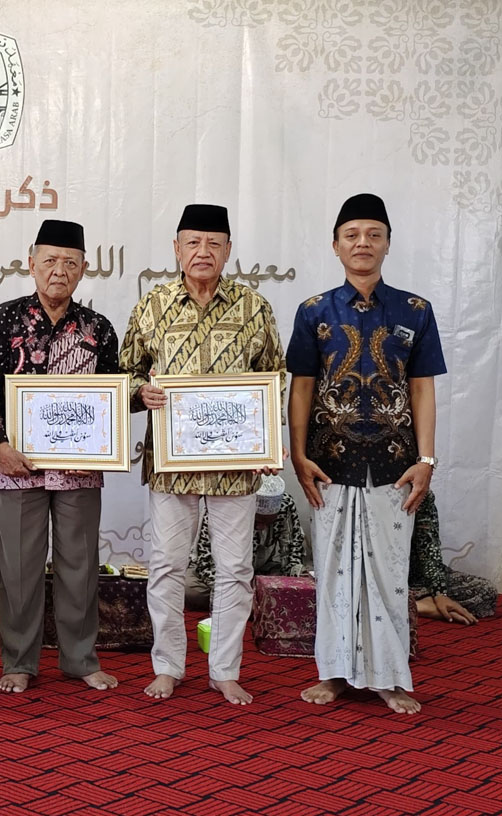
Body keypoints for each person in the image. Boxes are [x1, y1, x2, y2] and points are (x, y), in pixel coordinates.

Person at [120, 204, 286, 705]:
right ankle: (168, 666)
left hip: (235, 468)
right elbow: (125, 373)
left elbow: (275, 376)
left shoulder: (254, 307)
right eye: (192, 242)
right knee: (167, 566)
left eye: (214, 243)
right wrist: (140, 393)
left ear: (228, 250)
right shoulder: (152, 306)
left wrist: (265, 439)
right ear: (176, 249)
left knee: (235, 570)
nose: (203, 252)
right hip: (172, 467)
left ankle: (225, 670)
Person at [287, 193, 446, 715]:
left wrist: (426, 460)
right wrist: (297, 454)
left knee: (389, 574)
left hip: (395, 464)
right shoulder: (314, 311)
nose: (363, 243)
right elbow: (301, 388)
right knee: (333, 572)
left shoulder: (414, 311)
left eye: (373, 234)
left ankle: (389, 677)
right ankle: (334, 674)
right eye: (351, 235)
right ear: (335, 246)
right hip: (328, 463)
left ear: (388, 244)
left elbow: (422, 388)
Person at [0, 219, 122, 694]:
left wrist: (100, 445)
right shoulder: (4, 319)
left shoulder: (99, 328)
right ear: (31, 263)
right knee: (19, 569)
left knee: (80, 567)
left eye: (70, 263)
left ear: (84, 269)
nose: (60, 271)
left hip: (79, 471)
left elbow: (112, 398)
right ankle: (19, 661)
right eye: (50, 261)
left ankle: (80, 659)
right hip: (16, 467)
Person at [185, 477, 308, 611]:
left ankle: (258, 598)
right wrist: (235, 591)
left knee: (297, 582)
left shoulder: (285, 505)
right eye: (258, 521)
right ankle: (255, 601)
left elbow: (292, 552)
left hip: (261, 569)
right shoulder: (225, 508)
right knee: (190, 591)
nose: (261, 527)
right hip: (222, 572)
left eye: (267, 522)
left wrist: (292, 581)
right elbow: (206, 563)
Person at [410, 490, 496, 623]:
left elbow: (429, 548)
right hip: (383, 580)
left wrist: (439, 593)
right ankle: (418, 606)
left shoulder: (420, 492)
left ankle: (414, 602)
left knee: (486, 590)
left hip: (418, 578)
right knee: (376, 594)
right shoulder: (376, 494)